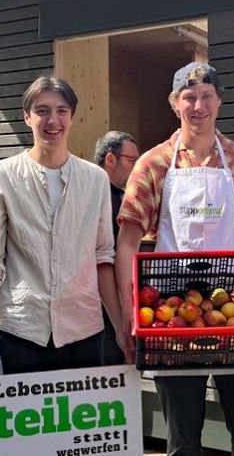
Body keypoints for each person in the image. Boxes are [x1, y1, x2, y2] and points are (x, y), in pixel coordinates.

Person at [115, 62, 234, 456]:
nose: (198, 106)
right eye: (189, 97)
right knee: (182, 438)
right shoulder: (153, 163)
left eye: (207, 96)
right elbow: (127, 244)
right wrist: (129, 314)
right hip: (170, 314)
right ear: (174, 103)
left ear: (219, 101)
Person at [0, 76, 134, 388]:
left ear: (72, 116)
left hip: (83, 329)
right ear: (27, 117)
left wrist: (120, 328)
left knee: (79, 419)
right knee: (22, 420)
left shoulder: (95, 180)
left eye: (61, 111)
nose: (52, 120)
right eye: (42, 110)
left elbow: (102, 258)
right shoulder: (0, 177)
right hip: (21, 329)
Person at [93, 130, 140, 365]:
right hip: (101, 308)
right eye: (132, 161)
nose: (138, 168)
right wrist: (119, 320)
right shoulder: (97, 198)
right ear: (111, 159)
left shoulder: (122, 196)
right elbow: (102, 260)